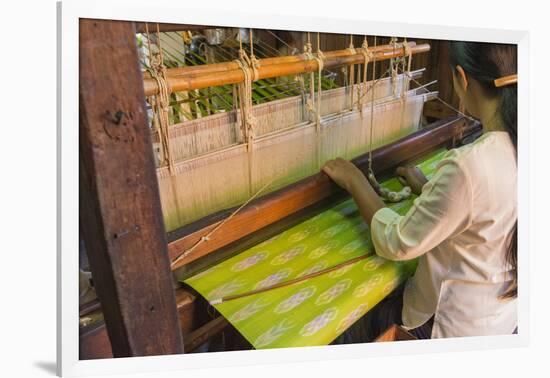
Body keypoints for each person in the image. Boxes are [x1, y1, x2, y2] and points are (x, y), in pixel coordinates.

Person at [323, 41, 518, 339]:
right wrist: (428, 188)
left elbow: (398, 242)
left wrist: (355, 180)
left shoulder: (471, 166)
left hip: (450, 325)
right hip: (500, 321)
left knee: (344, 325)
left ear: (461, 78)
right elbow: (488, 211)